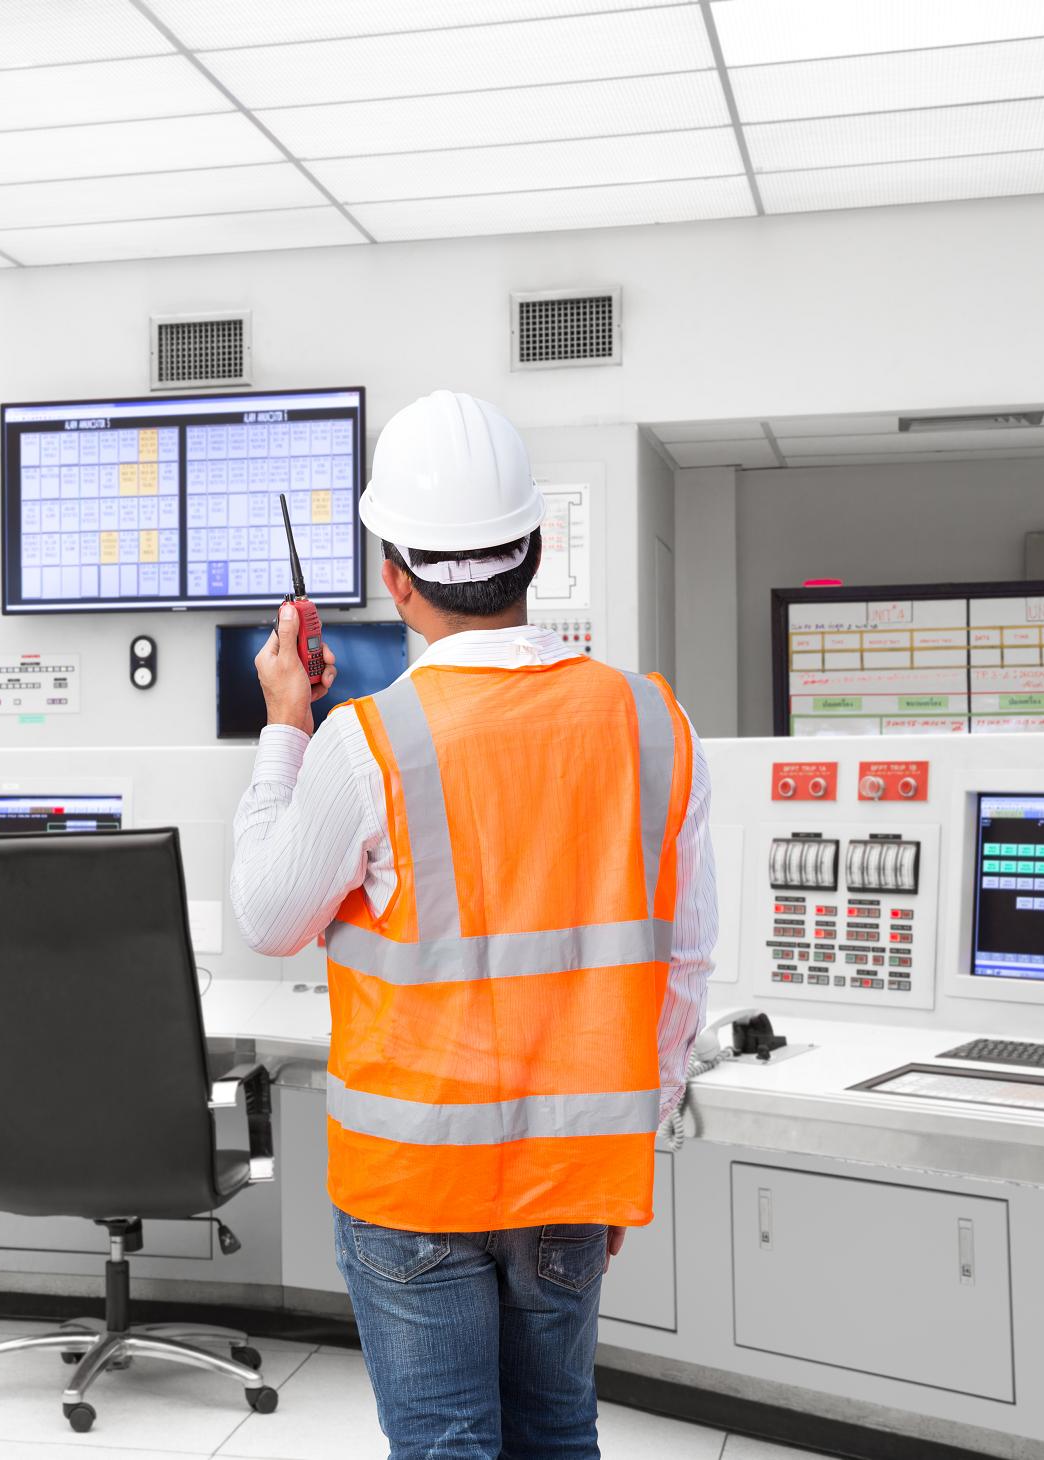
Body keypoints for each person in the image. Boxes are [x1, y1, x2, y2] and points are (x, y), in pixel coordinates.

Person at [231, 390, 716, 1460]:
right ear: (534, 548)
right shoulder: (650, 721)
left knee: (447, 1445)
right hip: (570, 1175)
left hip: (412, 1187)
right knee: (557, 1433)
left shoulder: (366, 742)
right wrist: (624, 1140)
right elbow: (680, 966)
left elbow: (267, 915)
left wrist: (283, 726)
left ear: (396, 580)